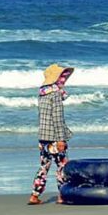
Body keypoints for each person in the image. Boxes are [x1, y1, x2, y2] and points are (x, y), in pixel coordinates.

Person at [28, 63, 74, 205]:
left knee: (44, 167)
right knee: (62, 166)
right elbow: (58, 119)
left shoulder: (42, 93)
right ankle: (62, 196)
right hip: (54, 137)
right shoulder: (55, 94)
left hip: (43, 138)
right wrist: (61, 139)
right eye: (62, 76)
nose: (64, 79)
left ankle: (35, 195)